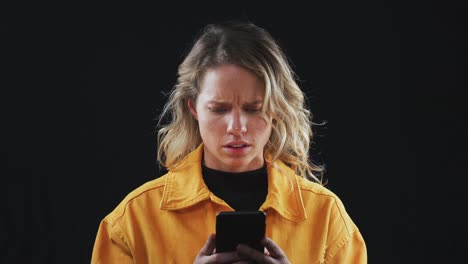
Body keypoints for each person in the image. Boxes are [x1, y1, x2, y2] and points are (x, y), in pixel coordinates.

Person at [91, 21, 367, 263]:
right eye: (219, 109)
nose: (237, 127)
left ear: (276, 109)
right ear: (194, 108)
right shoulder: (132, 221)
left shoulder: (326, 217)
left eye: (253, 108)